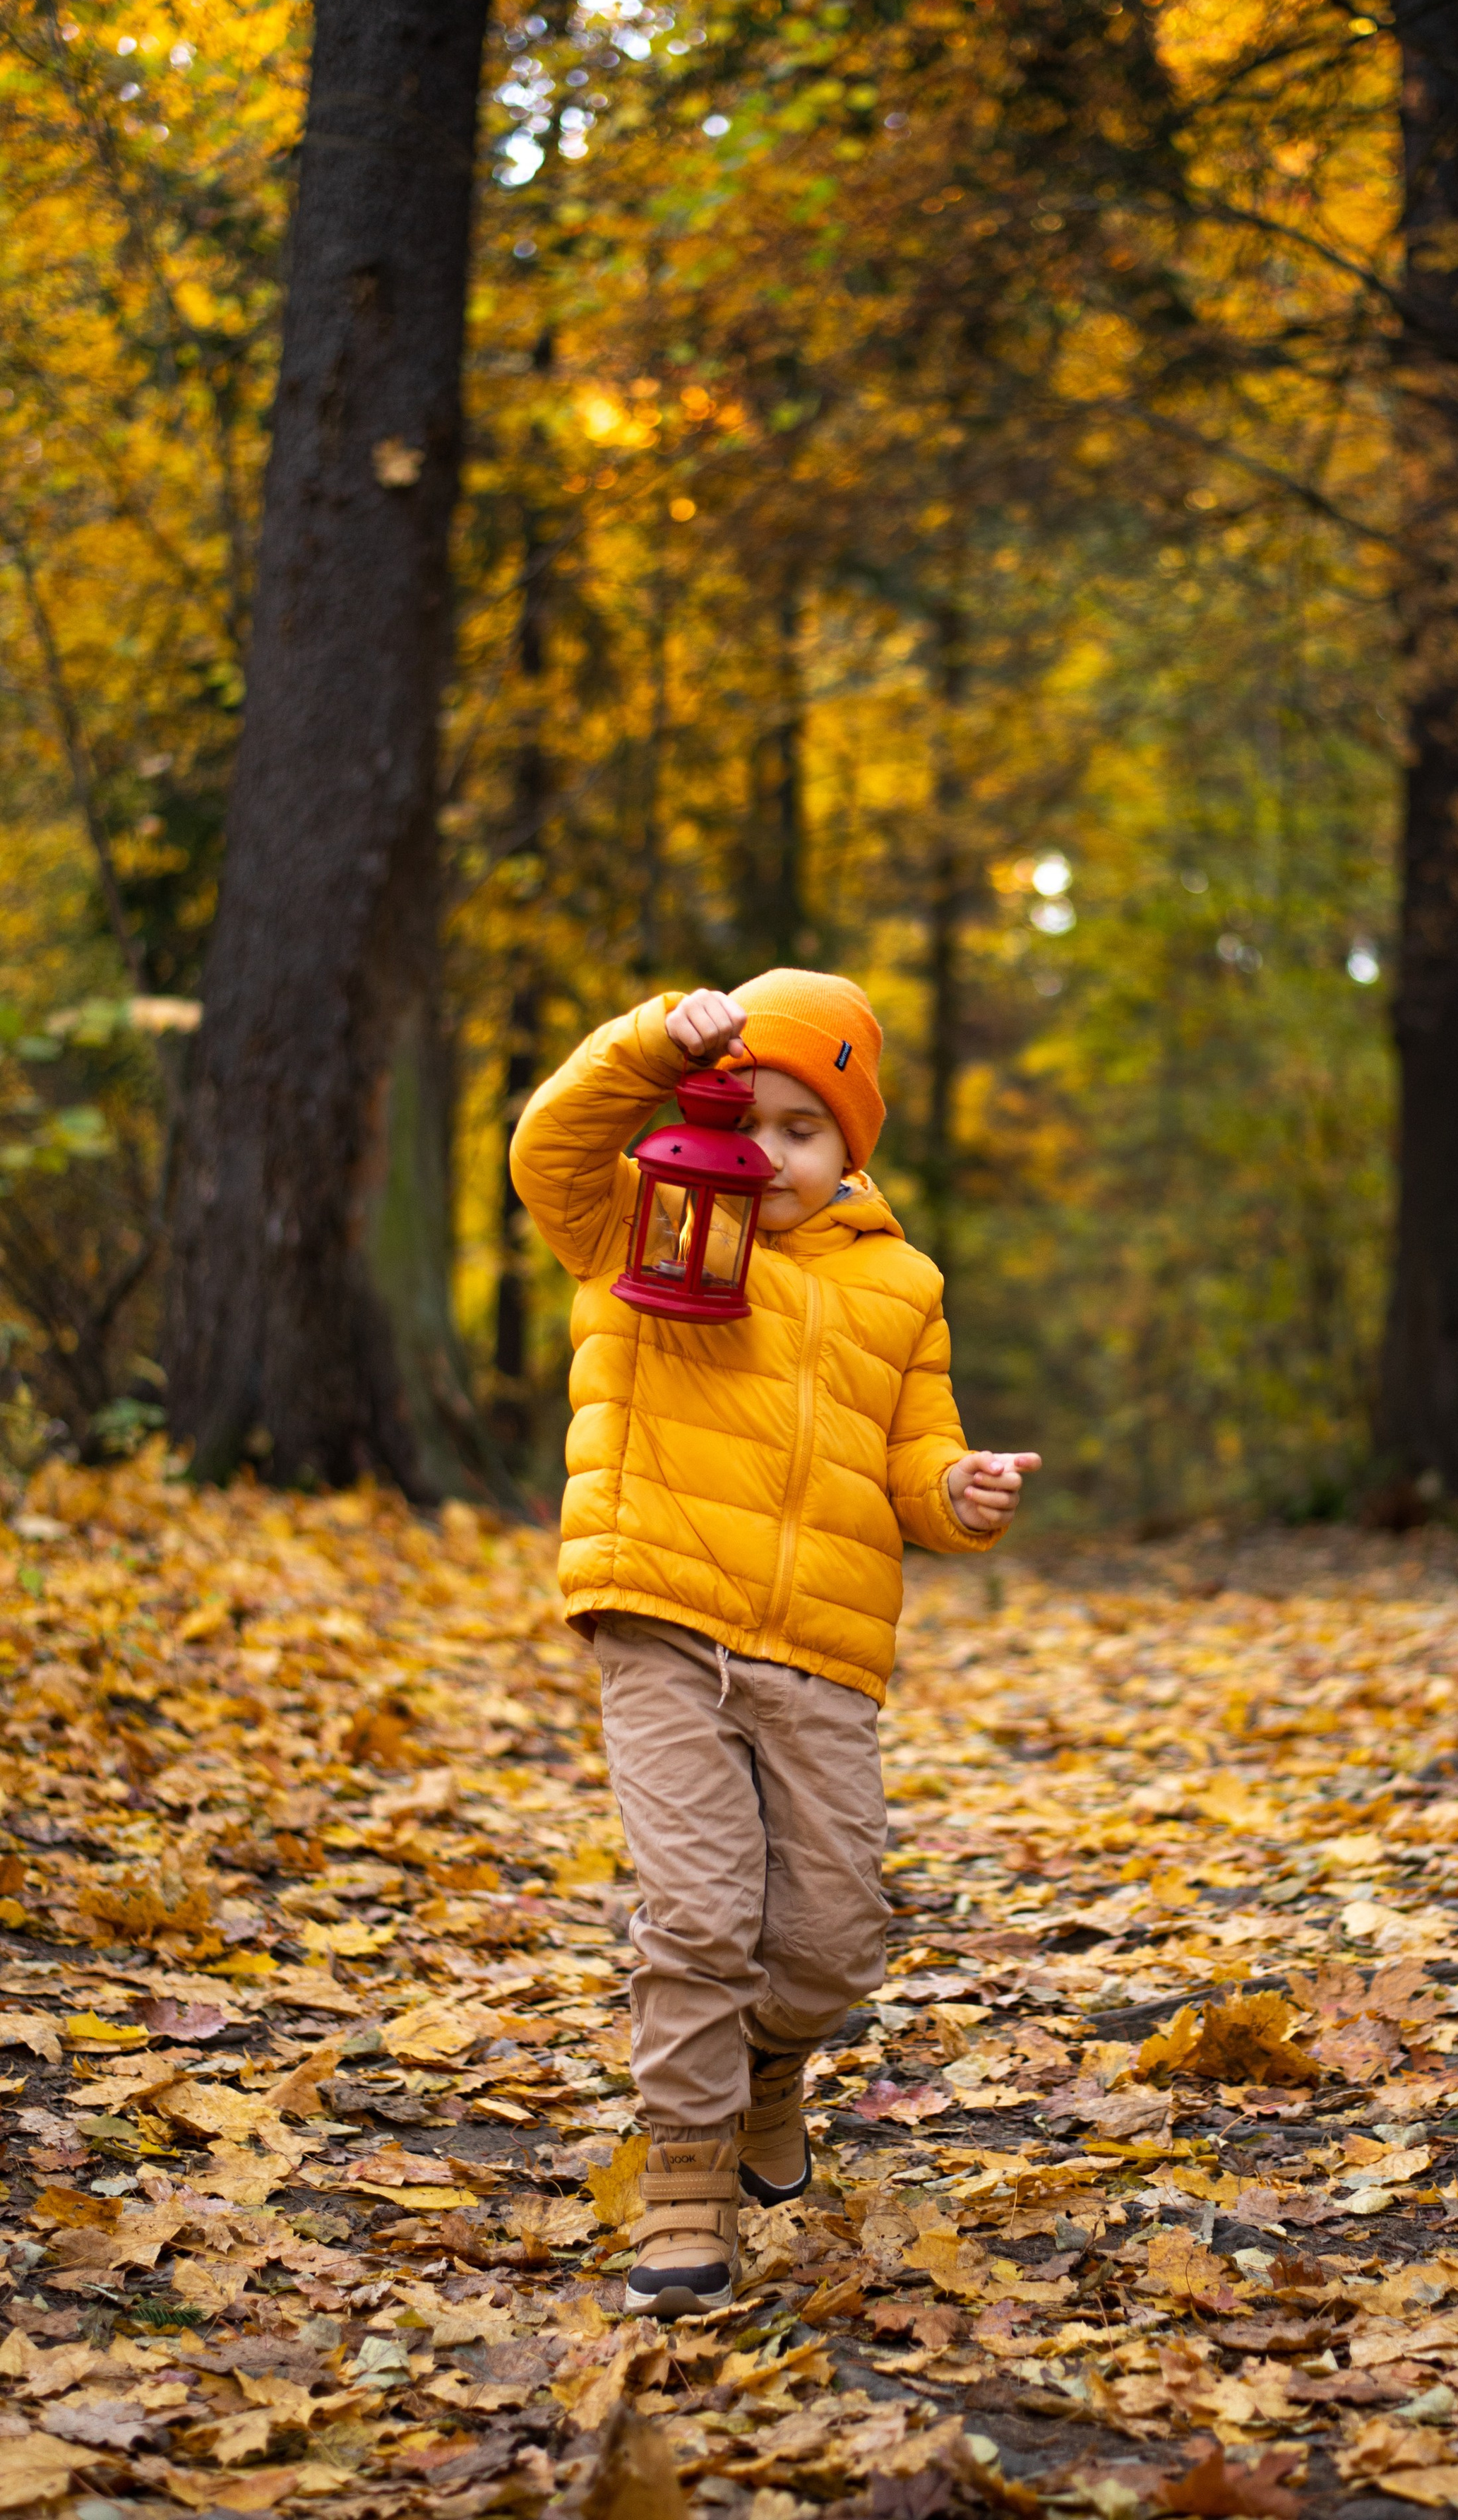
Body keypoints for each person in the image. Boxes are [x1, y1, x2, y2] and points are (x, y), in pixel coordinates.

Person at [510, 969, 1039, 2317]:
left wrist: (958, 1493)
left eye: (802, 1128)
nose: (769, 1151)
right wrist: (648, 1044)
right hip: (662, 1611)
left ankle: (764, 2068)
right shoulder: (644, 1215)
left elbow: (914, 1452)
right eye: (743, 1118)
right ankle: (687, 2178)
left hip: (822, 1650)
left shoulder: (901, 1283)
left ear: (850, 1146)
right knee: (700, 1914)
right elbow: (548, 1147)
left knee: (832, 1943)